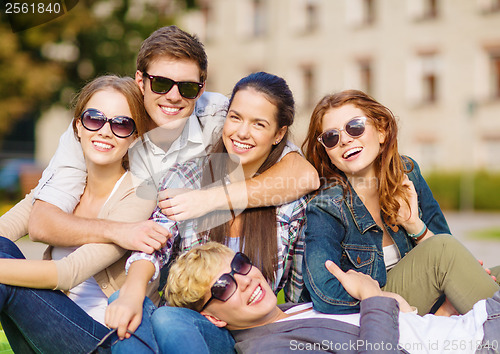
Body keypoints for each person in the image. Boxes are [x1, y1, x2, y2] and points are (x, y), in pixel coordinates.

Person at [0, 25, 318, 256]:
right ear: (140, 79)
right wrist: (121, 232)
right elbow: (40, 217)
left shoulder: (222, 116)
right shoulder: (101, 121)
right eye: (161, 83)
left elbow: (303, 174)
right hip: (82, 263)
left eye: (188, 88)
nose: (174, 96)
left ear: (202, 87)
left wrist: (212, 199)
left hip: (136, 278)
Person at [105, 72, 307, 353]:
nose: (242, 132)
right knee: (128, 302)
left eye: (259, 124)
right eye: (235, 117)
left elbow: (298, 294)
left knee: (165, 318)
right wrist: (132, 291)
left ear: (279, 134)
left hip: (250, 339)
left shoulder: (289, 201)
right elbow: (154, 241)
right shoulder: (187, 176)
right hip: (183, 327)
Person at [300, 89, 500, 315]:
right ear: (327, 152)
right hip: (378, 310)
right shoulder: (327, 206)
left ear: (382, 131)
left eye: (354, 127)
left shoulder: (407, 173)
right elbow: (325, 295)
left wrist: (414, 225)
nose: (345, 139)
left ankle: (447, 316)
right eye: (331, 137)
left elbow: (446, 247)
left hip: (425, 294)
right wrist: (387, 300)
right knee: (443, 252)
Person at [0, 75, 161, 353]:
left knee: (7, 285)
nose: (105, 131)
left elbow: (68, 272)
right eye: (94, 119)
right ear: (78, 126)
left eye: (121, 124)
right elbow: (6, 229)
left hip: (102, 341)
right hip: (50, 326)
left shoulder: (139, 194)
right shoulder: (67, 185)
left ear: (135, 138)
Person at [163, 242, 500, 354]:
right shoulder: (269, 348)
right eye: (224, 286)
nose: (245, 278)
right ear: (213, 318)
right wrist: (372, 297)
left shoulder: (292, 310)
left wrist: (440, 312)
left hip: (467, 326)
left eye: (240, 263)